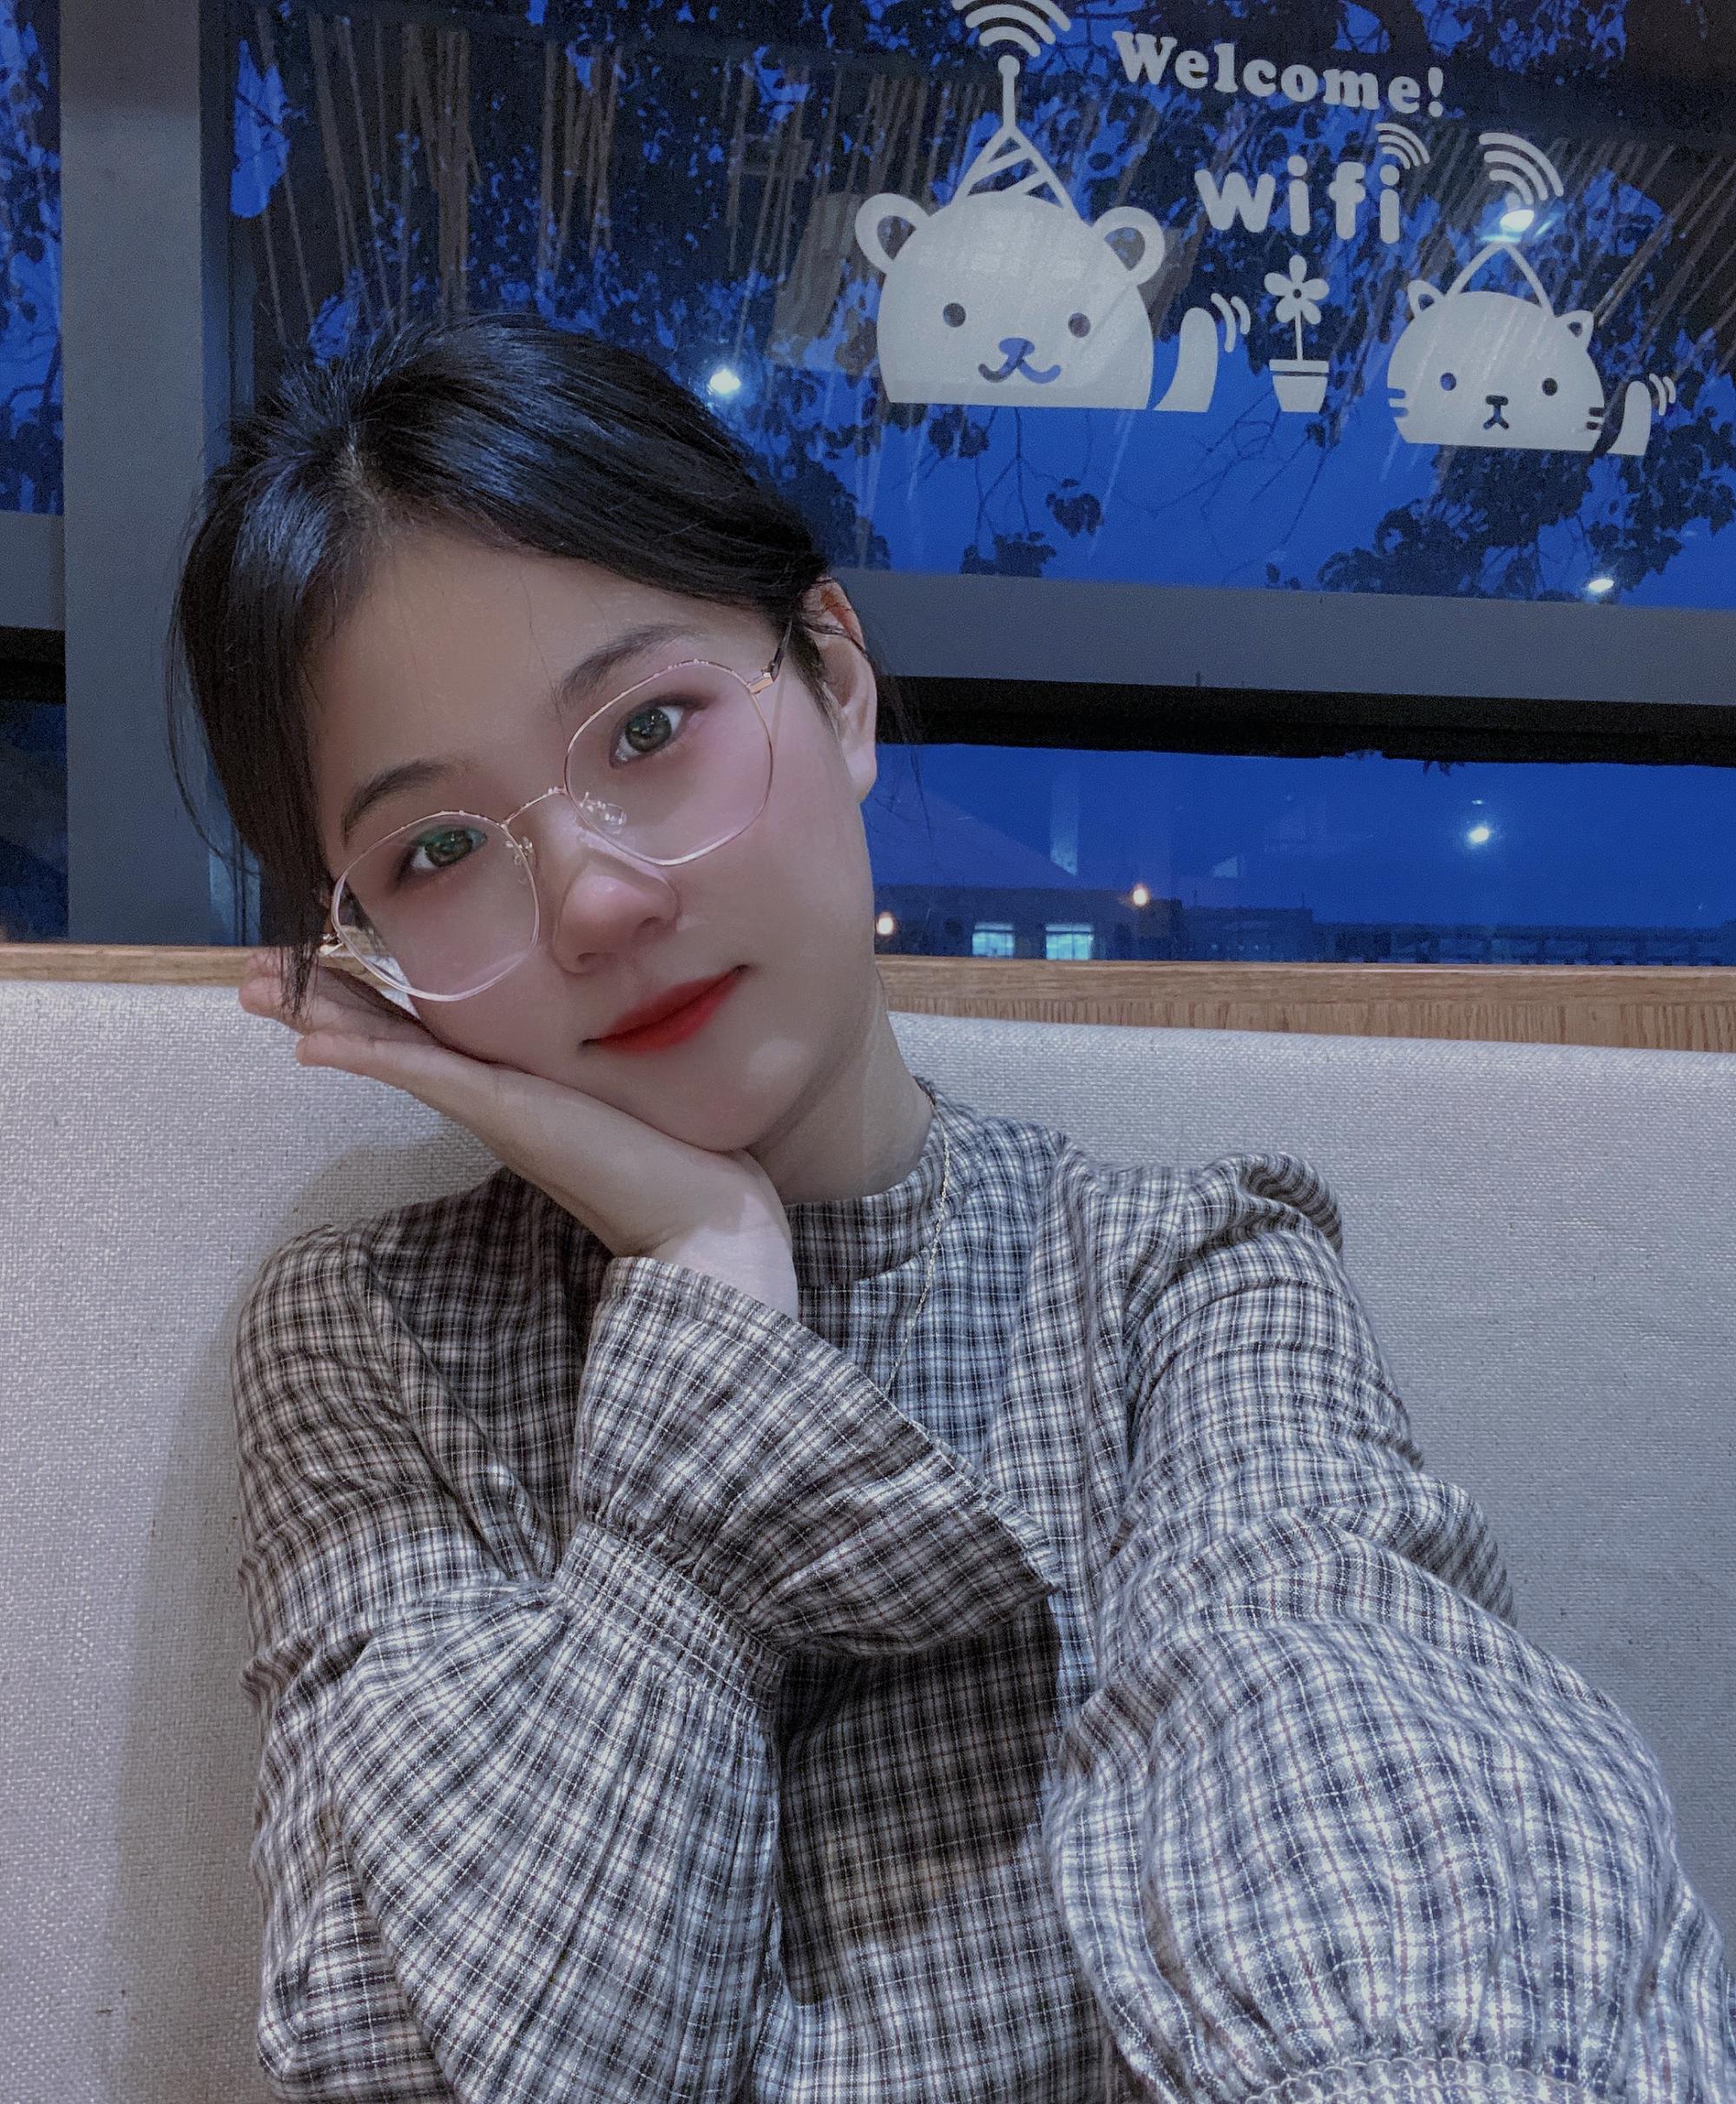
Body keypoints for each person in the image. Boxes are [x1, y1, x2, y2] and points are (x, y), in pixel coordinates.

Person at [168, 310, 1734, 2103]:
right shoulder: (374, 1347)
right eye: (436, 850)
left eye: (652, 726)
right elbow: (474, 2066)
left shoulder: (1186, 1276)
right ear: (364, 946)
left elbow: (1362, 1747)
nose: (593, 901)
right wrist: (706, 1291)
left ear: (835, 686)